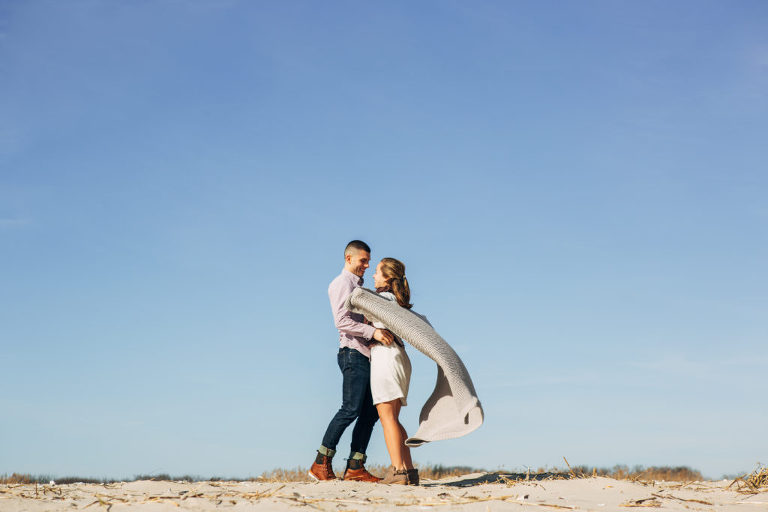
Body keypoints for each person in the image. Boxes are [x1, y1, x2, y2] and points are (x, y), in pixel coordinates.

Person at [309, 240, 395, 482]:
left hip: (365, 355)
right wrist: (373, 333)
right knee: (350, 409)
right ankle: (320, 463)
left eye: (368, 261)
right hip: (352, 352)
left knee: (370, 412)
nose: (367, 266)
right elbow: (341, 321)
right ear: (349, 258)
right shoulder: (341, 284)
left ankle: (355, 467)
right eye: (363, 261)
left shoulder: (360, 287)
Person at [370, 257, 419, 485]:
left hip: (386, 357)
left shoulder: (381, 300)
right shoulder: (397, 301)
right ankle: (408, 470)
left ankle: (398, 471)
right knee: (394, 419)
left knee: (387, 417)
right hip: (399, 358)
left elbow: (353, 305)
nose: (373, 276)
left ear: (387, 278)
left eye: (377, 272)